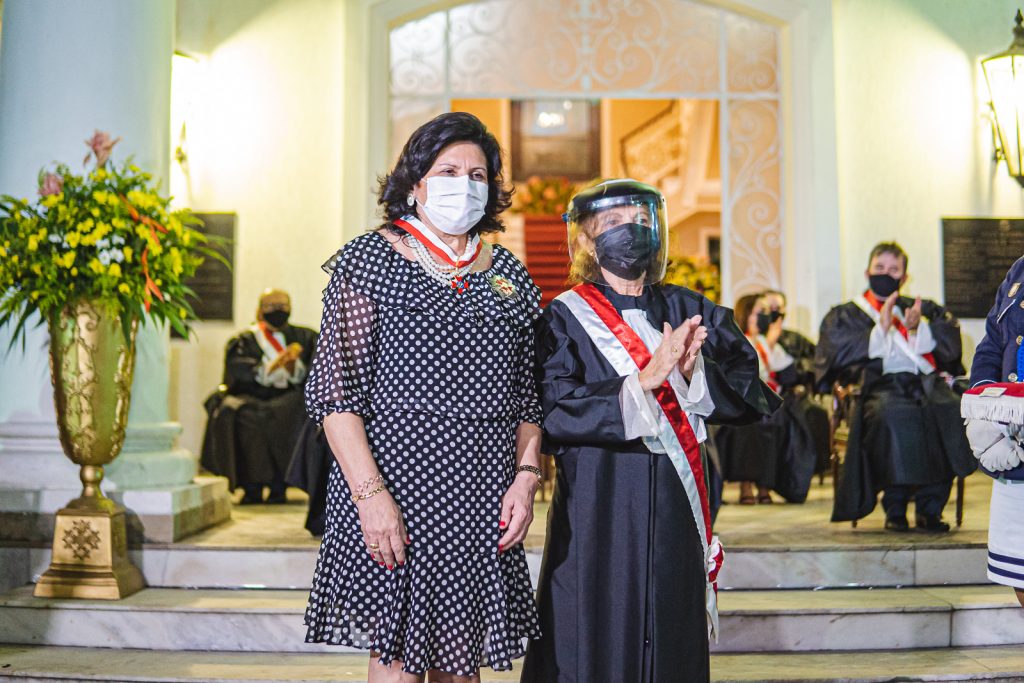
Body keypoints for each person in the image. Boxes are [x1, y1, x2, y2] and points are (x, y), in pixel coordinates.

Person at [303, 112, 542, 682]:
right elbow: (336, 395)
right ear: (415, 184)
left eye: (478, 175)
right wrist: (370, 496)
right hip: (395, 489)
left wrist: (526, 478)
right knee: (398, 662)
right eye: (449, 171)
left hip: (480, 495)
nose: (466, 185)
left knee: (461, 665)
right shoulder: (370, 260)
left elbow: (529, 398)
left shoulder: (508, 274)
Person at [521, 179, 779, 683]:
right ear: (587, 239)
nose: (631, 231)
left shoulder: (690, 309)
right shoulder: (563, 319)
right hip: (601, 500)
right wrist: (640, 383)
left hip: (676, 504)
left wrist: (692, 375)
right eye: (614, 222)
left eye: (640, 220)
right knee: (595, 619)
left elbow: (752, 388)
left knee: (671, 619)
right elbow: (553, 410)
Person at [815, 242, 975, 531]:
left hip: (924, 383)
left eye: (893, 270)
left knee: (949, 411)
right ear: (867, 272)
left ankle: (930, 508)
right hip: (878, 387)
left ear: (904, 277)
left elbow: (949, 350)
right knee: (893, 416)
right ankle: (895, 507)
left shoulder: (919, 309)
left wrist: (917, 329)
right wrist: (881, 329)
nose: (885, 274)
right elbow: (836, 354)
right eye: (879, 268)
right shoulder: (846, 314)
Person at [200, 289, 317, 504]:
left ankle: (280, 485)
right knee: (235, 413)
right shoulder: (244, 340)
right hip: (252, 395)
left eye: (282, 306)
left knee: (292, 412)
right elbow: (239, 370)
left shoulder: (306, 337)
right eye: (271, 306)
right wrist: (270, 368)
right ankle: (251, 487)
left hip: (289, 397)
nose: (277, 310)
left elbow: (315, 372)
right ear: (260, 310)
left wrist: (293, 367)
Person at [716, 293, 818, 504]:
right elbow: (747, 372)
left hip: (766, 402)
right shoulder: (735, 340)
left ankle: (766, 484)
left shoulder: (764, 341)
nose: (764, 317)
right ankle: (746, 484)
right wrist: (768, 345)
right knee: (750, 426)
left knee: (785, 421)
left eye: (766, 312)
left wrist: (771, 344)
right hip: (742, 401)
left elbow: (787, 372)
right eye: (759, 312)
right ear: (746, 314)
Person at [965, 256, 1024, 607]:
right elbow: (991, 344)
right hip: (1015, 439)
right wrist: (985, 405)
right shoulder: (1019, 270)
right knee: (1019, 572)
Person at [762, 289, 832, 477]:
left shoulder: (795, 338)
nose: (774, 312)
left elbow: (817, 362)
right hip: (766, 395)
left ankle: (805, 472)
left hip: (794, 393)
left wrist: (799, 370)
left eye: (778, 308)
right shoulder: (754, 336)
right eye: (770, 308)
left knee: (815, 413)